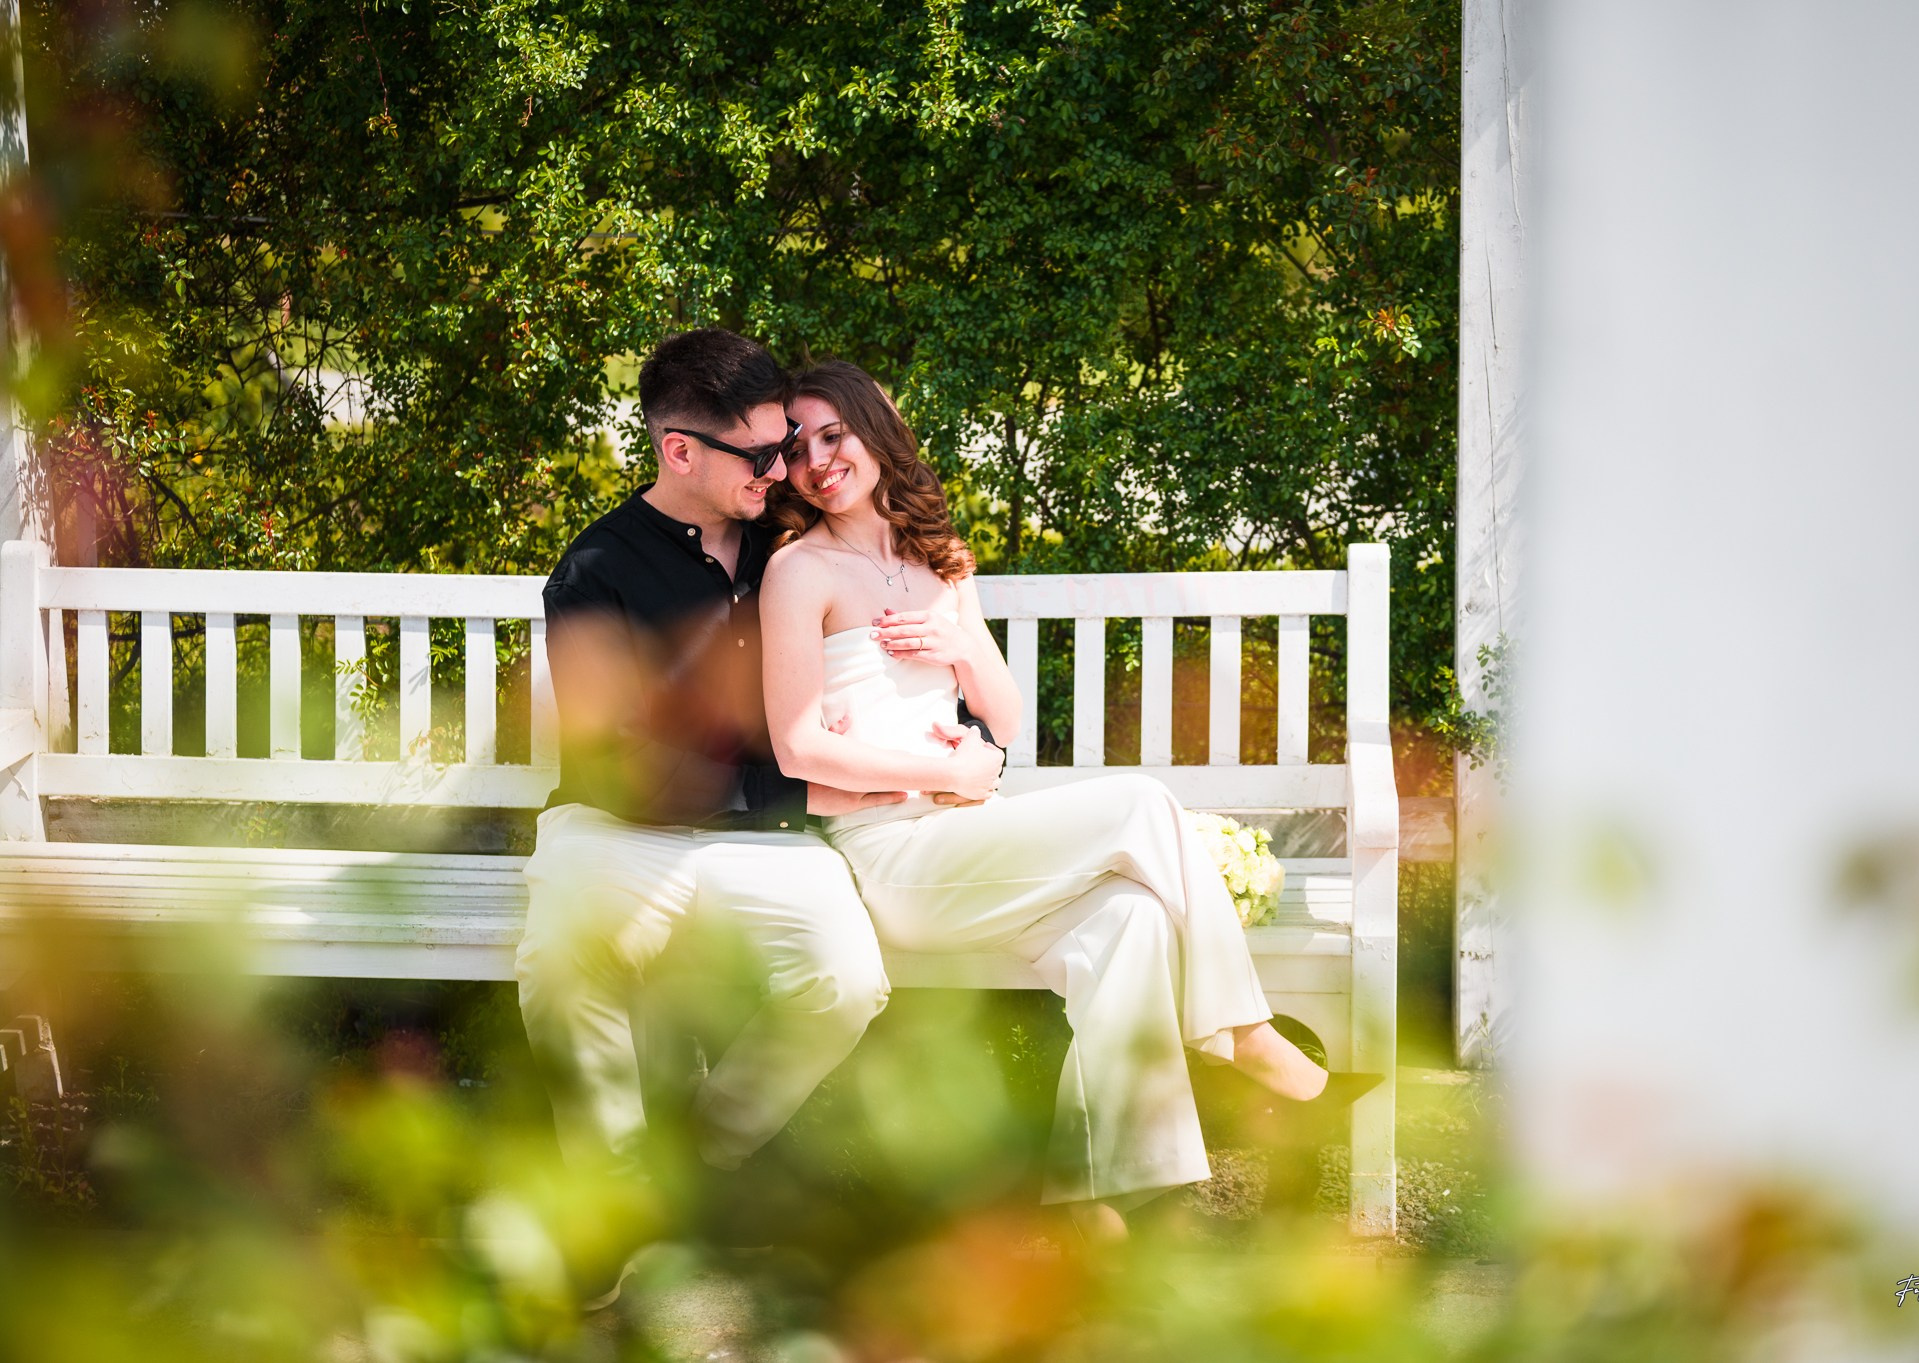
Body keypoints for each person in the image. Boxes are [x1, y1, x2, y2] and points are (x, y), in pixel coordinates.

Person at [757, 361, 1361, 1237]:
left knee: (1131, 923)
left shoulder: (939, 557)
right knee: (1141, 804)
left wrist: (959, 644)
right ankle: (1250, 1041)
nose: (816, 460)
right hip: (890, 853)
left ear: (873, 426)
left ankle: (1113, 1203)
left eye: (831, 433)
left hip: (973, 839)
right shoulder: (798, 572)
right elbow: (797, 744)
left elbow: (1003, 714)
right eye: (796, 447)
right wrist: (944, 773)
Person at [514, 331, 982, 1289]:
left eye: (784, 449)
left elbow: (897, 635)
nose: (784, 471)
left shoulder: (788, 548)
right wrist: (817, 781)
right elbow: (622, 767)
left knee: (846, 980)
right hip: (617, 830)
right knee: (559, 958)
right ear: (681, 450)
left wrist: (944, 724)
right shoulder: (596, 570)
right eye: (762, 455)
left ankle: (694, 1160)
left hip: (766, 838)